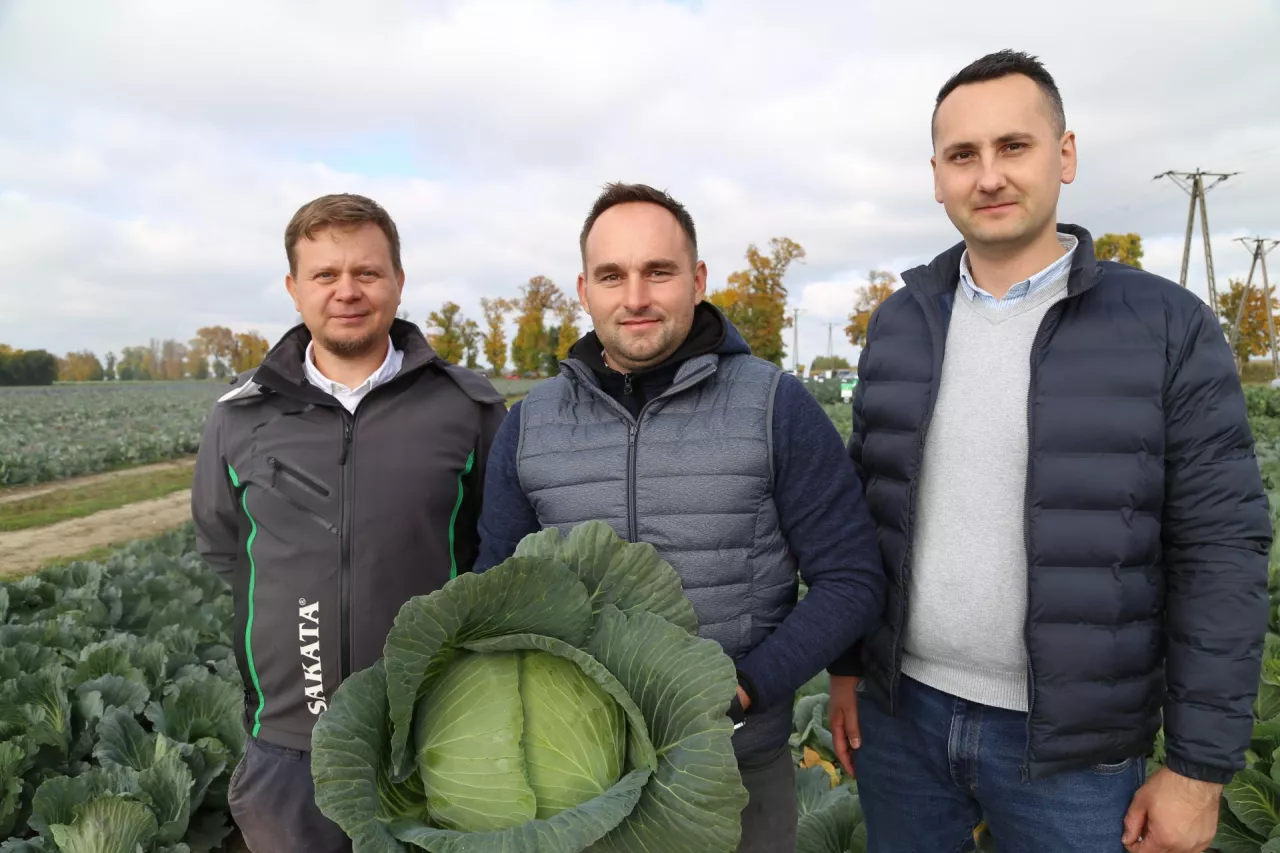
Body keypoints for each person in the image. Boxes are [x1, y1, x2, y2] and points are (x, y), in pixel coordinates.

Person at [826, 50, 1272, 853]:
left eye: (1014, 146)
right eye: (963, 155)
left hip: (1074, 749)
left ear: (1064, 156)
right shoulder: (901, 322)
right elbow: (868, 517)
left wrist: (1200, 769)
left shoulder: (1167, 325)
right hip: (903, 718)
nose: (988, 175)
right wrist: (850, 668)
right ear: (937, 176)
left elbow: (1221, 550)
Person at [473, 181, 887, 853]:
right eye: (613, 275)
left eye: (657, 271)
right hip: (571, 781)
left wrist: (744, 688)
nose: (634, 297)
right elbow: (492, 594)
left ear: (696, 280)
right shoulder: (529, 425)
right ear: (584, 291)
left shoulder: (774, 406)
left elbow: (851, 579)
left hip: (734, 773)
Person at [192, 193, 507, 853]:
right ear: (293, 288)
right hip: (287, 750)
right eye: (325, 275)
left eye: (366, 272)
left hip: (431, 744)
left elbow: (496, 554)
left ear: (397, 280)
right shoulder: (240, 417)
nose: (347, 292)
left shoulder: (467, 408)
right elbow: (226, 547)